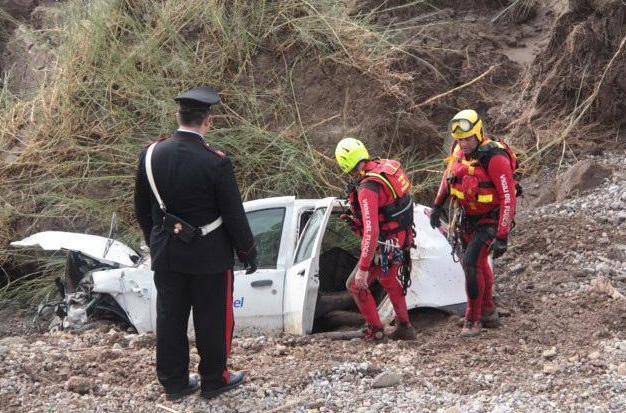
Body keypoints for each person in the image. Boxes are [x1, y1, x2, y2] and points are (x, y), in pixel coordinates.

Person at [134, 86, 257, 400]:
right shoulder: (215, 162)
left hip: (167, 254)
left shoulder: (150, 155)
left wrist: (157, 241)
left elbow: (141, 208)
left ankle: (174, 384)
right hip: (210, 255)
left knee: (170, 317)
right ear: (208, 122)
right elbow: (233, 213)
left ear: (178, 115)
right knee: (212, 318)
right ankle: (214, 379)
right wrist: (247, 250)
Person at [429, 109, 517, 337]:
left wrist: (502, 235)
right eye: (459, 139)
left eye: (467, 138)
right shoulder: (458, 150)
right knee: (478, 264)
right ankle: (488, 311)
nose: (463, 143)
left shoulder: (495, 158)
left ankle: (473, 318)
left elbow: (508, 198)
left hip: (491, 219)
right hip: (467, 218)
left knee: (470, 264)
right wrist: (438, 205)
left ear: (478, 134)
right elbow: (448, 177)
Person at [335, 137, 417, 341]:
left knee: (355, 284)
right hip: (401, 237)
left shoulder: (367, 189)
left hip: (384, 244)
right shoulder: (386, 168)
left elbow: (371, 232)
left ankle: (376, 330)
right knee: (389, 279)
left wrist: (363, 269)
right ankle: (405, 327)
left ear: (344, 163)